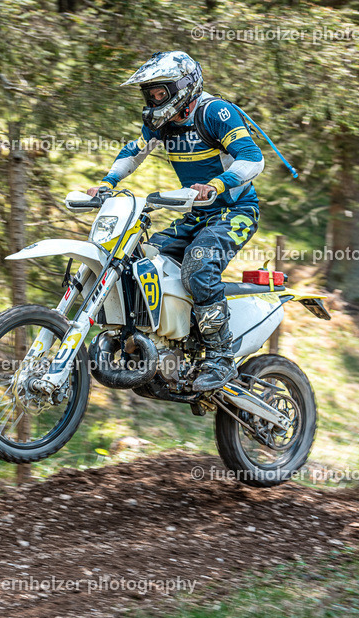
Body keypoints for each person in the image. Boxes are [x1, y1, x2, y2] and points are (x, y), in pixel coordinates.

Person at [87, 51, 265, 391]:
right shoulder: (162, 123)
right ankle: (161, 344)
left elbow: (252, 159)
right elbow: (134, 152)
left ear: (183, 87)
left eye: (159, 92)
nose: (153, 99)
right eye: (149, 93)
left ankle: (221, 358)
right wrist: (108, 183)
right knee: (139, 260)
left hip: (235, 210)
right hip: (197, 214)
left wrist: (217, 184)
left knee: (199, 266)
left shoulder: (214, 112)